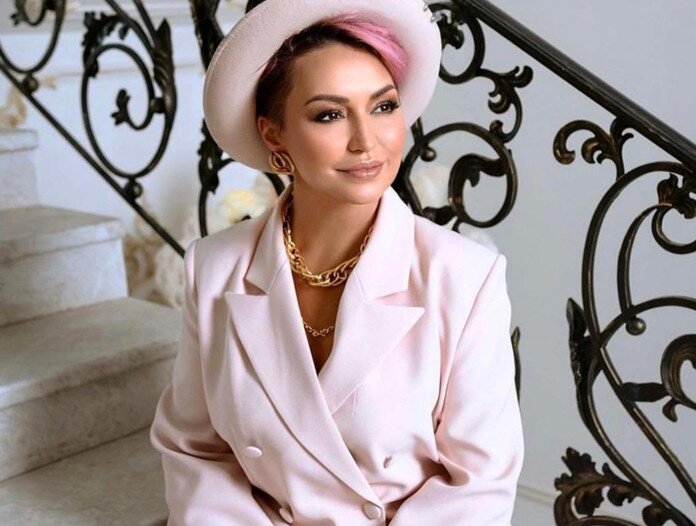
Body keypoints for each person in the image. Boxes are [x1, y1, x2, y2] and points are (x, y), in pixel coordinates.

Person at [149, 0, 524, 524]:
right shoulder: (213, 268)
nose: (366, 141)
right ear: (274, 134)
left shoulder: (464, 276)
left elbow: (478, 485)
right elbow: (196, 452)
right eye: (329, 114)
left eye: (383, 107)